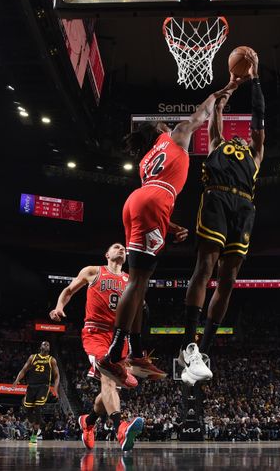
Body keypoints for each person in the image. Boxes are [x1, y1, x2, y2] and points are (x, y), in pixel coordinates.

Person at [95, 84, 238, 390]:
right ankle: (112, 355)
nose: (170, 124)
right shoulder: (175, 138)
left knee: (139, 283)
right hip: (155, 202)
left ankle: (134, 353)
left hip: (137, 202)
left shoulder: (147, 160)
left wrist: (170, 227)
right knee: (137, 282)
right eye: (164, 124)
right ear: (160, 129)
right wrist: (221, 93)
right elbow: (200, 115)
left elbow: (151, 193)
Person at [180, 49, 263, 385]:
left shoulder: (256, 152)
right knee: (205, 268)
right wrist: (229, 89)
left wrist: (256, 79)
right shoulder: (217, 142)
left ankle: (203, 350)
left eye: (246, 134)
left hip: (244, 207)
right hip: (217, 197)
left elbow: (259, 116)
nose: (242, 135)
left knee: (228, 279)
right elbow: (216, 112)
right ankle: (188, 344)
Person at [50, 243, 156, 452]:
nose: (122, 249)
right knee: (108, 378)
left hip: (119, 337)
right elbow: (69, 290)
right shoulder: (93, 271)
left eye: (124, 248)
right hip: (96, 333)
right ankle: (121, 429)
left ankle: (88, 422)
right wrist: (59, 306)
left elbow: (137, 314)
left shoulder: (131, 281)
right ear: (107, 254)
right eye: (116, 247)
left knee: (109, 390)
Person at [13, 341, 59, 443]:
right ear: (40, 346)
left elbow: (57, 376)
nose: (46, 345)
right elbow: (24, 370)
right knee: (28, 410)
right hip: (31, 386)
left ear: (49, 348)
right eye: (44, 344)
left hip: (43, 386)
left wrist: (55, 388)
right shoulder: (32, 357)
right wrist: (17, 379)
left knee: (38, 407)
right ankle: (36, 424)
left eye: (48, 344)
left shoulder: (52, 360)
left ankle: (35, 433)